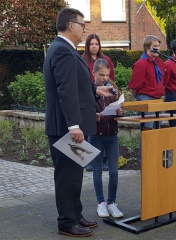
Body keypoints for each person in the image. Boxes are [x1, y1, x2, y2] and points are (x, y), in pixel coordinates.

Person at [43, 8, 112, 237]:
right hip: (66, 127)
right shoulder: (62, 50)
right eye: (83, 25)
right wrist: (74, 125)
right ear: (71, 25)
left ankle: (75, 214)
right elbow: (66, 90)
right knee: (66, 176)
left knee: (75, 173)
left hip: (70, 126)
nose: (84, 29)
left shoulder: (66, 49)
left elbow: (77, 84)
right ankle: (66, 222)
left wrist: (95, 89)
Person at [88, 58, 124, 218]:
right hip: (96, 135)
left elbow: (117, 107)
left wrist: (119, 112)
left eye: (107, 75)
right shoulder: (89, 90)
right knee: (97, 170)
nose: (105, 78)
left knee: (114, 172)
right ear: (93, 73)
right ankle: (101, 203)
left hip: (112, 136)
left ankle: (112, 202)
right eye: (101, 75)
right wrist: (92, 116)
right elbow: (83, 111)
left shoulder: (112, 88)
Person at [128, 35, 165, 163]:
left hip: (158, 100)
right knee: (147, 131)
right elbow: (134, 87)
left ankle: (155, 157)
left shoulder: (159, 62)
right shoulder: (141, 64)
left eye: (159, 46)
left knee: (157, 129)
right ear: (147, 48)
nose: (158, 49)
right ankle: (144, 159)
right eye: (155, 47)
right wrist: (140, 100)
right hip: (145, 98)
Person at [82, 33, 115, 172]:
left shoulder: (105, 60)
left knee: (105, 124)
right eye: (91, 44)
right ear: (87, 46)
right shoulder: (83, 60)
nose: (94, 47)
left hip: (105, 96)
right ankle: (88, 160)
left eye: (96, 44)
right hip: (89, 95)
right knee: (89, 127)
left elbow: (111, 78)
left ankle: (104, 159)